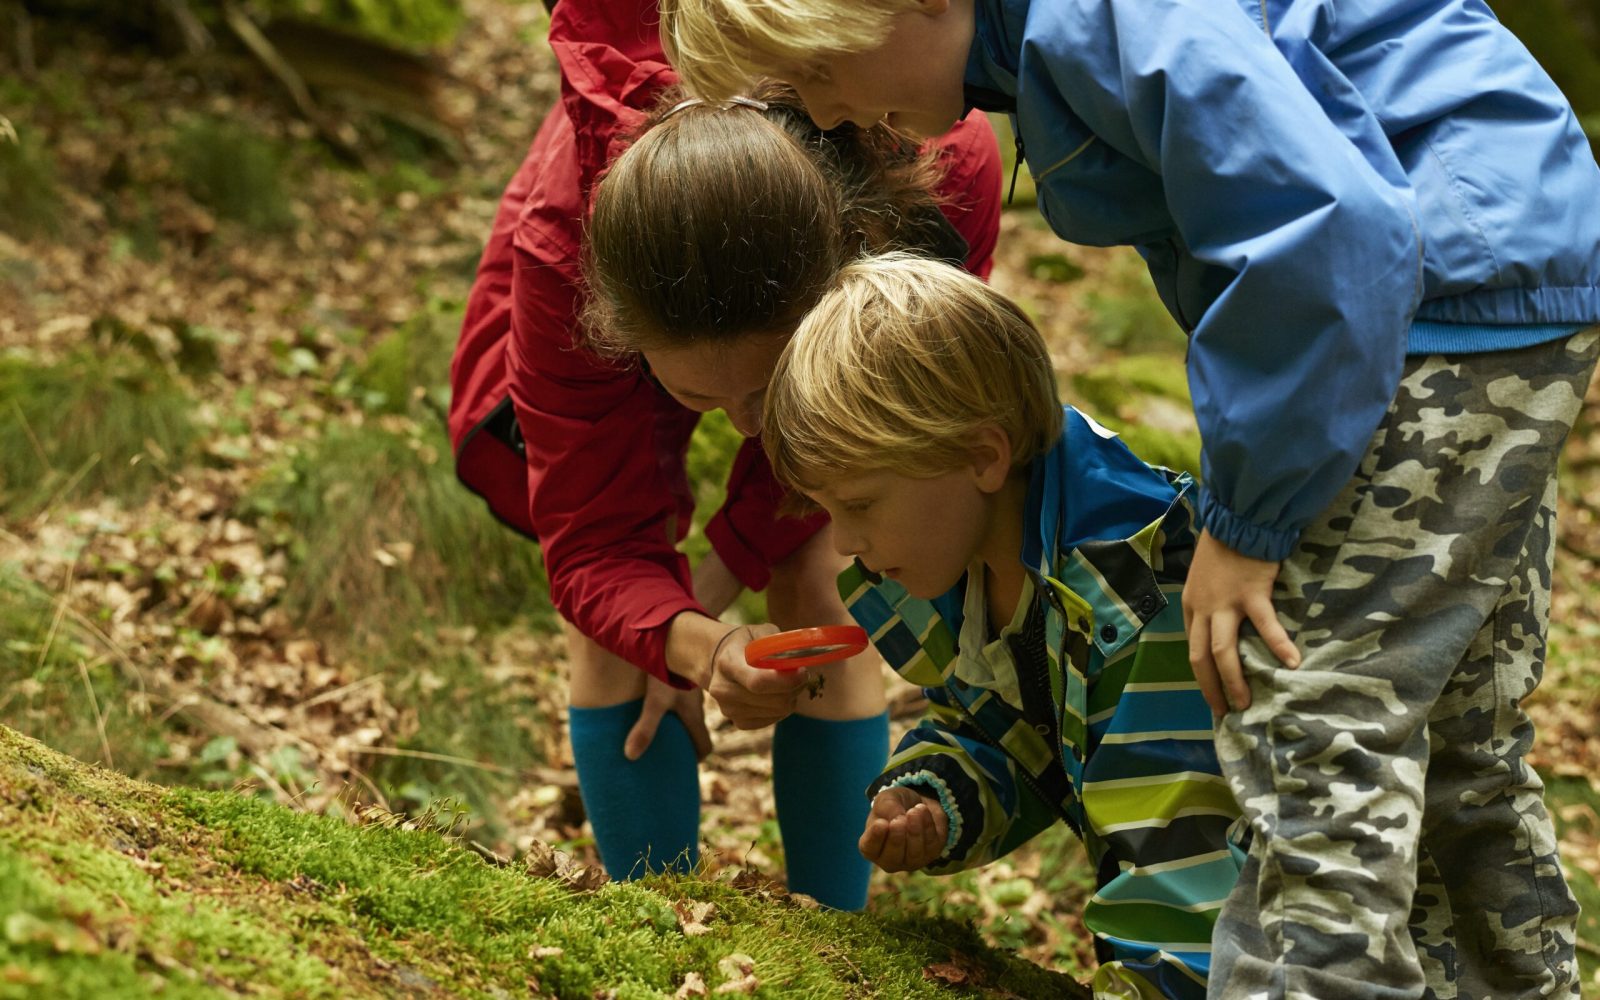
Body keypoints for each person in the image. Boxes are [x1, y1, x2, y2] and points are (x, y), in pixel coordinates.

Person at [658, 0, 1600, 995]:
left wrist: (1248, 520)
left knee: (1309, 723)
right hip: (1492, 273)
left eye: (820, 72)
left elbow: (1321, 229)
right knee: (1453, 741)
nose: (827, 113)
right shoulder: (1055, 42)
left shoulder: (1096, 23)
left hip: (1436, 297)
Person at [446, 0, 1003, 911]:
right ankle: (655, 931)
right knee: (611, 631)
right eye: (704, 397)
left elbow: (836, 470)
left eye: (767, 388)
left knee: (821, 573)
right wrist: (694, 644)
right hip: (610, 213)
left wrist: (714, 589)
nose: (749, 430)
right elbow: (594, 540)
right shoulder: (564, 262)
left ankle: (837, 938)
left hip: (851, 226)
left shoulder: (938, 168)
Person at [762, 251, 1246, 999]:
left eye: (859, 504)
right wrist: (937, 796)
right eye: (827, 510)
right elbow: (1013, 733)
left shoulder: (1137, 601)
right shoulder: (976, 568)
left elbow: (1187, 872)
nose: (844, 543)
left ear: (982, 456)